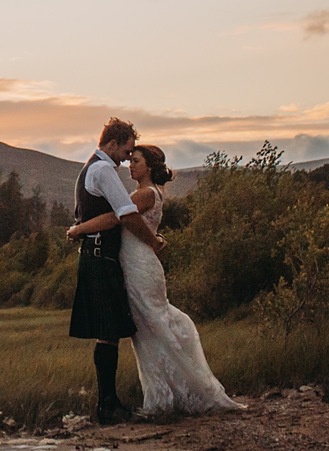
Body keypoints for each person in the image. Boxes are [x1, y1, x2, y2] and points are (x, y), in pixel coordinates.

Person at [68, 144, 244, 418]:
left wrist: (80, 228)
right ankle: (164, 394)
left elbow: (117, 218)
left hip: (140, 266)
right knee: (147, 330)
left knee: (153, 325)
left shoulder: (145, 195)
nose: (130, 165)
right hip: (135, 264)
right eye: (130, 160)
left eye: (135, 161)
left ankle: (175, 393)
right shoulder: (146, 193)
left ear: (149, 166)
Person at [68, 118, 161, 424]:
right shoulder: (104, 170)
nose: (127, 157)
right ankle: (108, 406)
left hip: (97, 255)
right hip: (100, 256)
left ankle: (108, 403)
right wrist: (154, 242)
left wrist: (80, 229)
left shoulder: (91, 167)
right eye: (127, 149)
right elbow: (126, 214)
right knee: (108, 333)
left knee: (108, 333)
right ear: (112, 144)